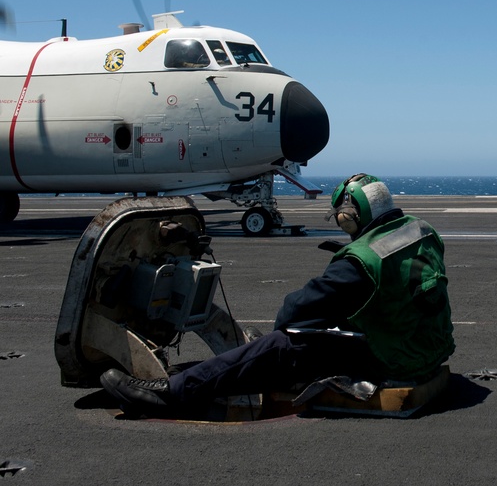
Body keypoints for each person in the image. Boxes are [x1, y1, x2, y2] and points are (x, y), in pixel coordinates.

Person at [101, 173, 455, 418]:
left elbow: (293, 313)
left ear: (353, 215)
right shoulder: (421, 231)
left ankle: (169, 393)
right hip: (427, 348)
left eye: (344, 220)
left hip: (395, 360)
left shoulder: (360, 261)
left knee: (281, 345)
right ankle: (195, 376)